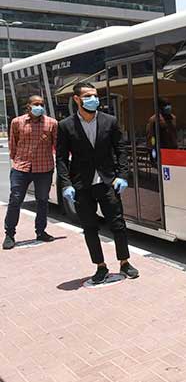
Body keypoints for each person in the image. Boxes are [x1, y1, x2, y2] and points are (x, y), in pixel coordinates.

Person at [56, 82, 138, 284]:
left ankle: (125, 262)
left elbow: (121, 150)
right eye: (87, 96)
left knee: (117, 224)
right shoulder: (66, 125)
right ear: (77, 99)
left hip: (107, 182)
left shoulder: (110, 121)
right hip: (82, 186)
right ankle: (100, 266)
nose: (93, 99)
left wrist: (123, 176)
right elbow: (61, 158)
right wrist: (66, 184)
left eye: (95, 95)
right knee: (90, 228)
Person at [3, 95, 58, 249]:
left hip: (44, 168)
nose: (39, 107)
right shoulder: (17, 122)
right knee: (15, 199)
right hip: (21, 168)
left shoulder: (52, 123)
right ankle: (9, 234)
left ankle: (41, 231)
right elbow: (12, 143)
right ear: (28, 106)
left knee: (42, 200)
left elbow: (56, 144)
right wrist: (15, 160)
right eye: (36, 104)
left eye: (41, 104)